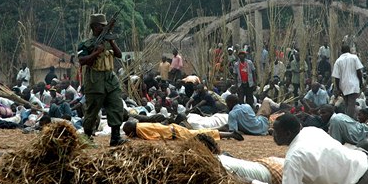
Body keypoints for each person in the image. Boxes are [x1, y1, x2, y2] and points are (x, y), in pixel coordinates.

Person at [252, 113, 368, 184]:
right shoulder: (311, 130)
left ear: (287, 133)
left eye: (275, 131)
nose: (272, 134)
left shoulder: (294, 157)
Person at [77, 13, 127, 146]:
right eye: (102, 26)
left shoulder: (108, 42)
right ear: (94, 27)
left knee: (116, 106)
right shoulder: (86, 44)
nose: (105, 27)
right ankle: (87, 138)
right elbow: (82, 61)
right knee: (92, 110)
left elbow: (119, 55)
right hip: (95, 80)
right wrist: (96, 52)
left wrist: (111, 40)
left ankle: (115, 138)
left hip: (110, 79)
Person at [122, 121, 243, 141]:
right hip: (174, 129)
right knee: (198, 132)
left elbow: (153, 138)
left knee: (200, 135)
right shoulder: (140, 125)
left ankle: (230, 134)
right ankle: (222, 130)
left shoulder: (140, 130)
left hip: (176, 133)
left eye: (128, 133)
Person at [331, 45, 364, 119]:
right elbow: (358, 71)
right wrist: (361, 82)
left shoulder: (338, 61)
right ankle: (349, 119)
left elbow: (337, 77)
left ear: (341, 51)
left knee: (347, 104)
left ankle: (349, 118)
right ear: (349, 50)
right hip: (354, 84)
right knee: (351, 103)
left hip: (343, 85)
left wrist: (338, 88)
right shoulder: (354, 57)